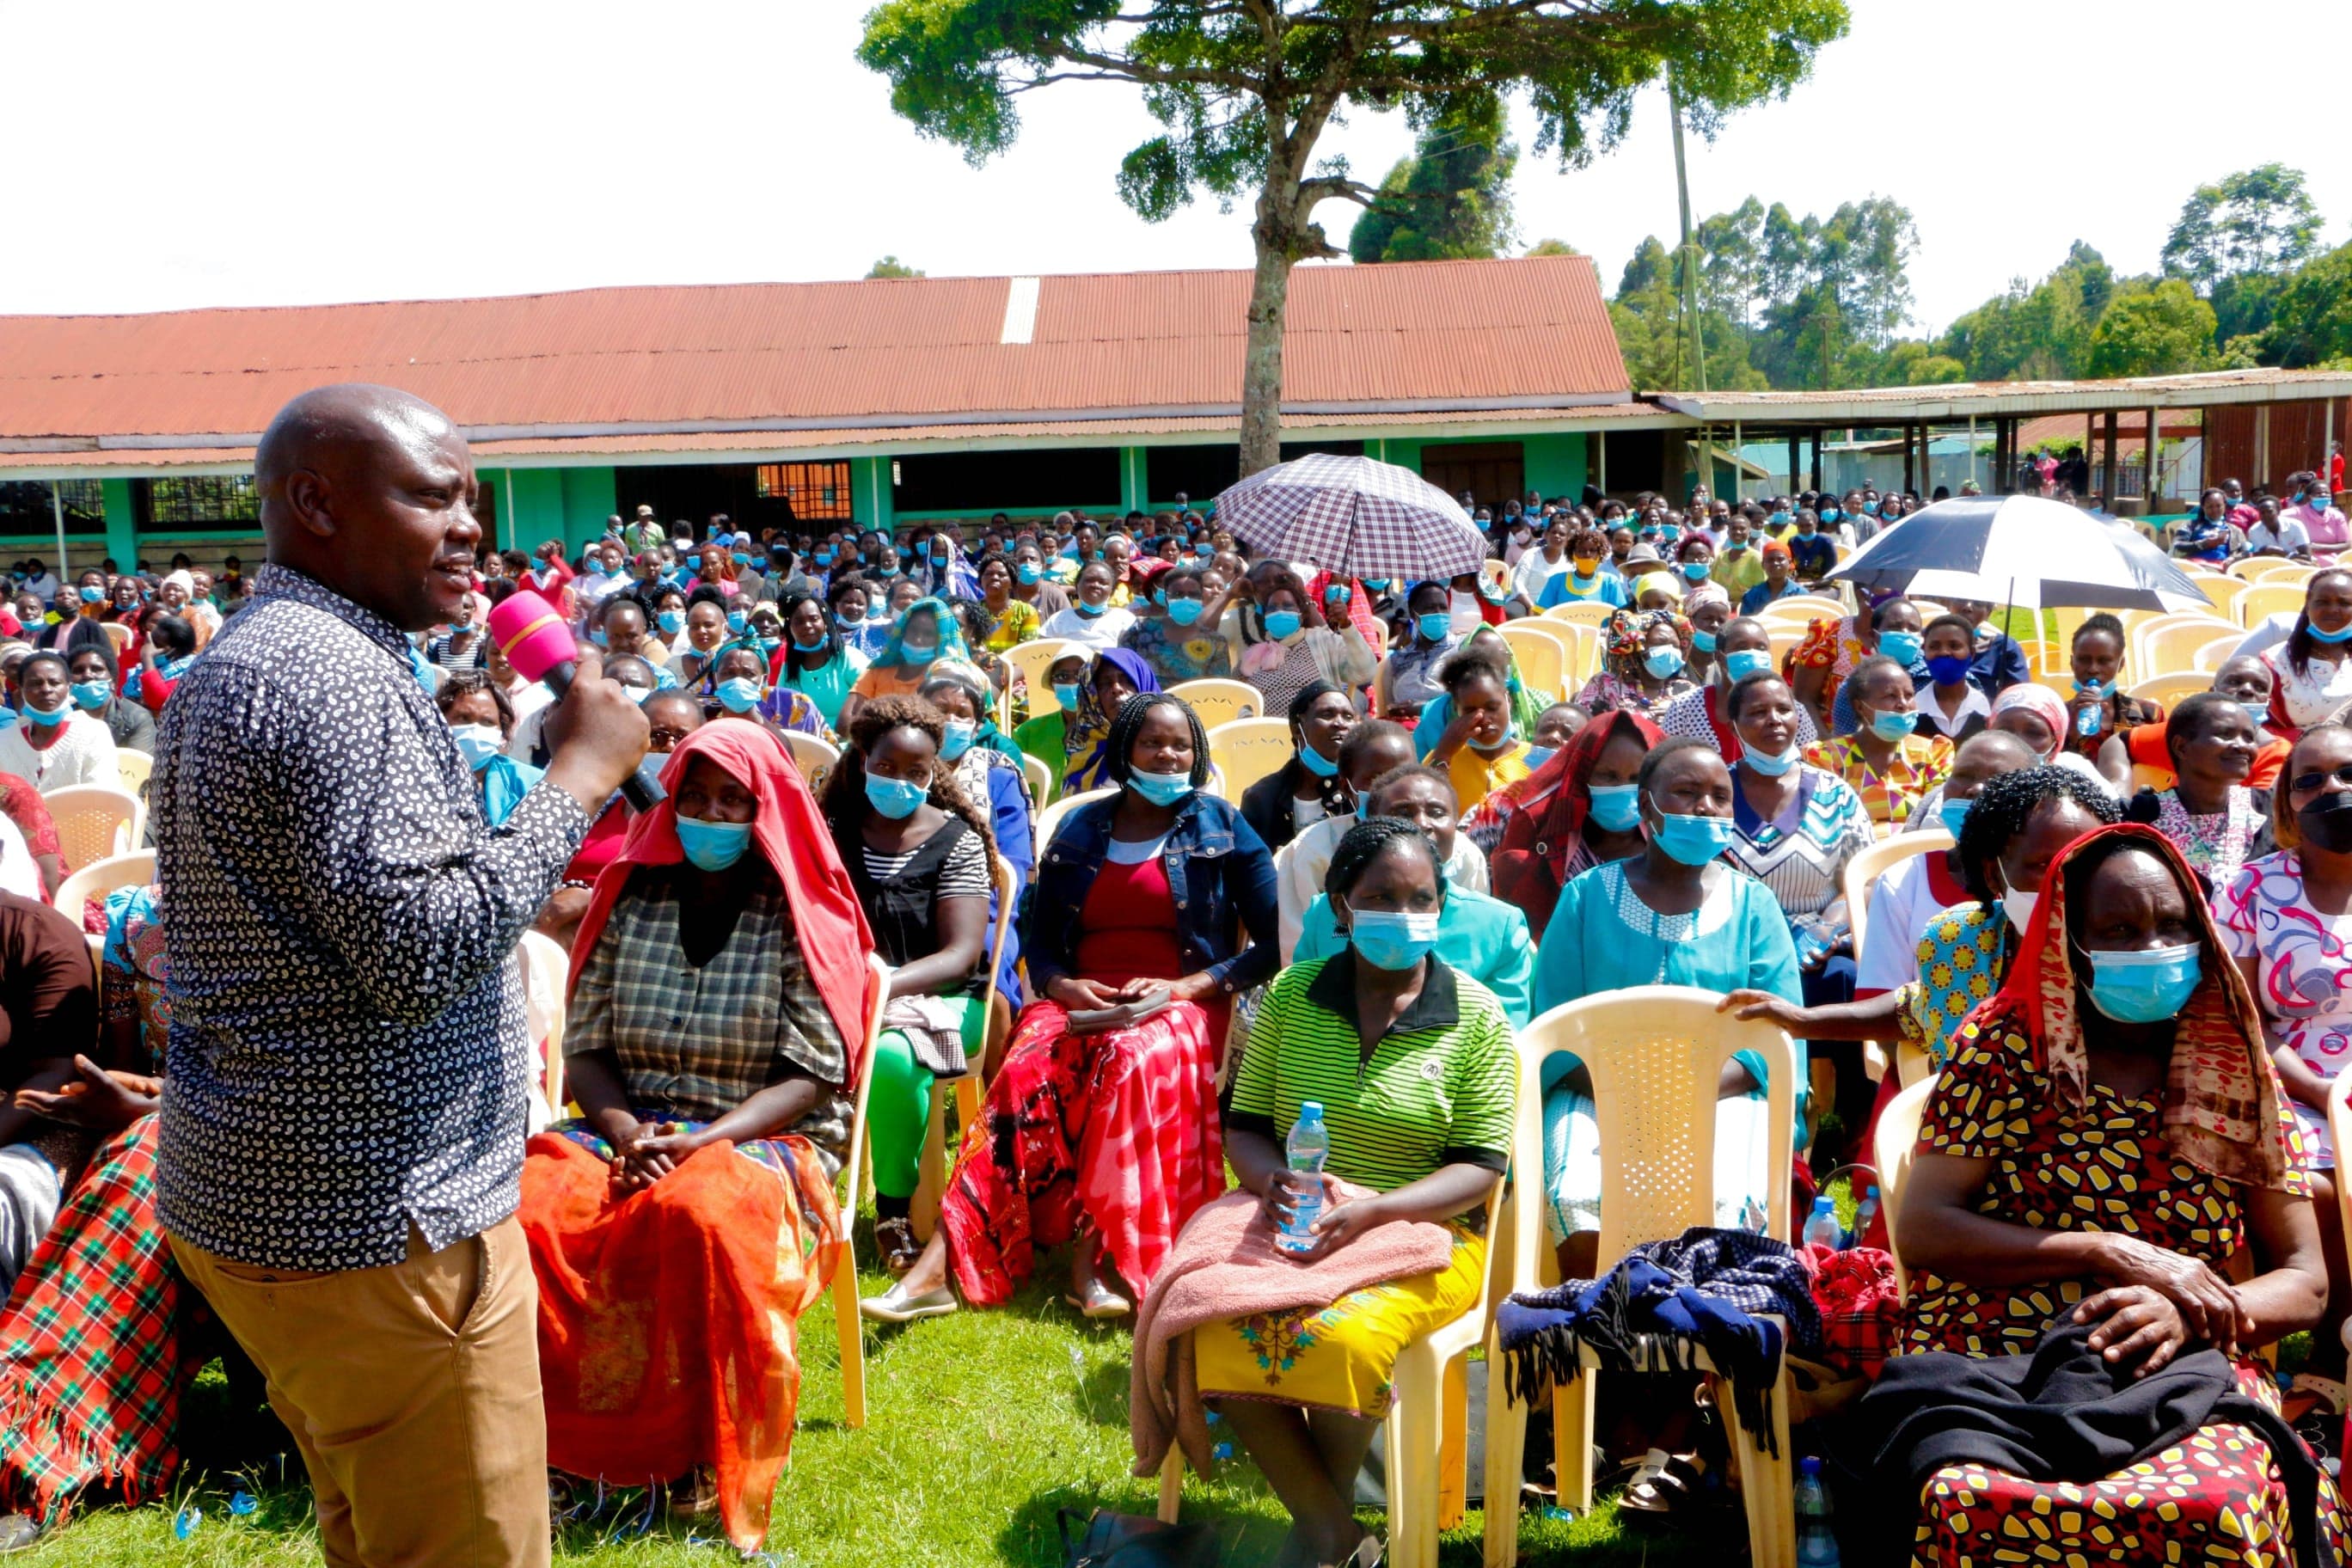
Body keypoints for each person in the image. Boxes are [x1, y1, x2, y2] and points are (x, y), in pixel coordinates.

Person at [154, 384, 649, 1568]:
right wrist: (578, 780)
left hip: (277, 1200)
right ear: (315, 504)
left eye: (469, 498)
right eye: (433, 496)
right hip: (387, 1226)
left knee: (379, 1534)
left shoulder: (257, 660)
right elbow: (425, 949)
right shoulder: (330, 680)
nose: (471, 528)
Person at [1894, 824, 2343, 1565]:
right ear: (2070, 942)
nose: (2152, 949)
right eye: (2119, 930)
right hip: (1995, 1345)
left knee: (2213, 1502)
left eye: (2172, 926)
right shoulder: (2010, 1048)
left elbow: (2306, 1278)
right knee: (1970, 1498)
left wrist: (2189, 1310)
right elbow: (1926, 1228)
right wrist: (2110, 1252)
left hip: (2180, 1350)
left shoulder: (2232, 1060)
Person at [524, 721, 863, 1549]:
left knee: (701, 1214)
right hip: (626, 1122)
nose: (711, 814)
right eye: (695, 797)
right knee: (530, 1207)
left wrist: (707, 1139)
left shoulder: (798, 909)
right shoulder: (629, 892)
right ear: (669, 803)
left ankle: (694, 1458)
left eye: (732, 800)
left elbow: (815, 1072)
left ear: (763, 808)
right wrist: (626, 1130)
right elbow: (588, 1044)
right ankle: (565, 1452)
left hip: (766, 1134)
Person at [866, 693, 1277, 1322]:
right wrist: (1060, 987)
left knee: (1127, 1059)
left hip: (1179, 1002)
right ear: (1125, 750)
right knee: (1026, 1067)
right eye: (1152, 744)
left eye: (1181, 746)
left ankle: (1099, 1255)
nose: (1167, 756)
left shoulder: (1223, 825)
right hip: (1084, 997)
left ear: (1197, 756)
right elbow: (1040, 941)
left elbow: (1272, 946)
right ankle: (942, 1263)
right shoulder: (1082, 829)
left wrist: (1186, 988)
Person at [1205, 818, 1515, 1568]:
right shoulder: (1290, 994)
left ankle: (1313, 1537)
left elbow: (1481, 1166)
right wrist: (1269, 1180)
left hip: (1428, 1232)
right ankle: (1336, 1535)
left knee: (1341, 1334)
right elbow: (1244, 1126)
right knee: (1211, 1322)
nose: (1404, 913)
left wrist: (1378, 1209)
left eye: (1422, 897)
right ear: (1341, 905)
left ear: (1444, 905)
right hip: (1296, 1213)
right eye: (1381, 895)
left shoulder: (1476, 1017)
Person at [1533, 739, 1802, 1272]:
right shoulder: (1587, 896)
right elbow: (1556, 1025)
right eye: (1686, 792)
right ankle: (1603, 1329)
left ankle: (1705, 1336)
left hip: (1724, 1094)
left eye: (1719, 797)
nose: (1705, 807)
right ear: (1645, 807)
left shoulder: (1755, 904)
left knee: (1723, 1198)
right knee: (1578, 1195)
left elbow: (1775, 1032)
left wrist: (1682, 1088)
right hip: (1594, 1089)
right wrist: (1627, 1089)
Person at [816, 697, 995, 1279]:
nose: (901, 782)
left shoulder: (956, 840)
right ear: (864, 759)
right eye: (888, 768)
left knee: (892, 1057)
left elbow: (960, 954)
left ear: (933, 772)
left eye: (916, 773)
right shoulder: (832, 833)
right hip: (842, 993)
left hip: (943, 1001)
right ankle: (803, 1194)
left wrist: (879, 986)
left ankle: (891, 1210)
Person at [1290, 770, 1532, 1025]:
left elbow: (1506, 1036)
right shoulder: (1326, 913)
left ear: (1456, 826)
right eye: (1403, 813)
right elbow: (1303, 1011)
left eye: (1437, 812)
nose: (1422, 823)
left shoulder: (1499, 926)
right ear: (1371, 824)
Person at [2121, 692, 2273, 886]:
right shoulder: (2139, 817)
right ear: (2181, 747)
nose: (2242, 746)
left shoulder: (2269, 809)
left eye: (2249, 737)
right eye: (2225, 734)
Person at [1802, 654, 1952, 828]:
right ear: (1860, 707)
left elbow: (1936, 816)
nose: (1903, 704)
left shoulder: (1934, 752)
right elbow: (1824, 821)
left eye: (1909, 695)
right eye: (1890, 696)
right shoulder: (1825, 757)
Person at [1655, 614, 1816, 760]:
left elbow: (1809, 760)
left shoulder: (1790, 710)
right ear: (1719, 657)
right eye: (1742, 648)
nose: (1753, 654)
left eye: (1761, 648)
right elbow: (1668, 763)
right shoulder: (1685, 708)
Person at [1234, 573, 1376, 719]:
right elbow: (1235, 697)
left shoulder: (1323, 641)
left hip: (1315, 733)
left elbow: (1364, 672)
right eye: (1273, 608)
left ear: (1301, 615)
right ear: (1265, 617)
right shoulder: (1255, 655)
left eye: (1288, 606)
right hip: (1264, 735)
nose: (1280, 611)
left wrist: (1346, 625)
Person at [1240, 681, 1359, 851]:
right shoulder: (1261, 798)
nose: (1340, 723)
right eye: (1327, 714)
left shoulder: (1359, 792)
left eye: (1348, 717)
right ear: (1297, 729)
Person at [1792, 595, 1925, 736]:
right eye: (1895, 627)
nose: (1904, 633)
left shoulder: (1931, 679)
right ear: (1873, 636)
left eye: (1913, 629)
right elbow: (1845, 737)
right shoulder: (1853, 685)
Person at [1425, 643, 1534, 813]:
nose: (1482, 718)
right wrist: (1444, 754)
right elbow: (1426, 807)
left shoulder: (1534, 760)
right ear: (1457, 710)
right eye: (1470, 711)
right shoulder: (1442, 759)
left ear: (1508, 701)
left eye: (1492, 707)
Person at [437, 667, 546, 829]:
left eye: (487, 722)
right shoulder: (418, 777)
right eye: (464, 719)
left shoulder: (530, 783)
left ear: (501, 731)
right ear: (440, 721)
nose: (475, 729)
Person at [0, 652, 119, 794]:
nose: (46, 689)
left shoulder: (93, 733)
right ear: (21, 690)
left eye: (55, 683)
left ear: (68, 687)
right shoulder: (6, 739)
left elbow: (104, 795)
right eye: (35, 684)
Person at [2260, 569, 2352, 738]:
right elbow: (2261, 727)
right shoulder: (2275, 664)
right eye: (2323, 602)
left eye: (2344, 603)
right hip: (2296, 756)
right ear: (2308, 605)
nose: (2333, 609)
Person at [843, 594, 962, 721]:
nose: (918, 639)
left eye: (928, 634)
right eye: (913, 630)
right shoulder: (876, 672)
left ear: (940, 641)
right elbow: (845, 722)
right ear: (902, 632)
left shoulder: (945, 682)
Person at [1572, 606, 1697, 720]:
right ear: (1637, 649)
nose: (1669, 651)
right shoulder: (1605, 684)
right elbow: (1581, 725)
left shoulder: (1687, 691)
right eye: (1660, 643)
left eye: (1675, 646)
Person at [1120, 563, 1234, 687]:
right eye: (1178, 594)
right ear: (1166, 597)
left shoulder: (1216, 642)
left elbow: (1219, 689)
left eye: (1193, 594)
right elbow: (1123, 676)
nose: (1186, 599)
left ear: (1201, 597)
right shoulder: (1139, 630)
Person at [773, 590, 867, 729]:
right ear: (791, 629)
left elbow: (869, 709)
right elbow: (780, 710)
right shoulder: (789, 669)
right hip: (804, 744)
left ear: (826, 622)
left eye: (814, 619)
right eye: (799, 622)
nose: (807, 625)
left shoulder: (849, 659)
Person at [64, 633, 155, 756]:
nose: (88, 675)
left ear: (112, 682)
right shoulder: (61, 715)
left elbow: (136, 767)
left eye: (96, 669)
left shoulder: (137, 718)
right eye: (78, 671)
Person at [1912, 613, 1992, 742]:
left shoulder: (1985, 711)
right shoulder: (1912, 711)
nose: (1944, 652)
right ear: (1924, 651)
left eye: (1954, 646)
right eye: (1934, 647)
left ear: (1971, 654)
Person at [1040, 560, 1137, 651]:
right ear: (1077, 586)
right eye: (1089, 580)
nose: (1095, 585)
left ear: (1111, 590)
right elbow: (1041, 653)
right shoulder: (1058, 620)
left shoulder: (1125, 620)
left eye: (1103, 582)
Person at [1737, 540, 1807, 616]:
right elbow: (1745, 623)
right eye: (1770, 560)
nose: (1775, 563)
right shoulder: (1752, 595)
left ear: (1789, 563)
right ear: (1763, 564)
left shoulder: (1801, 594)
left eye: (1780, 559)